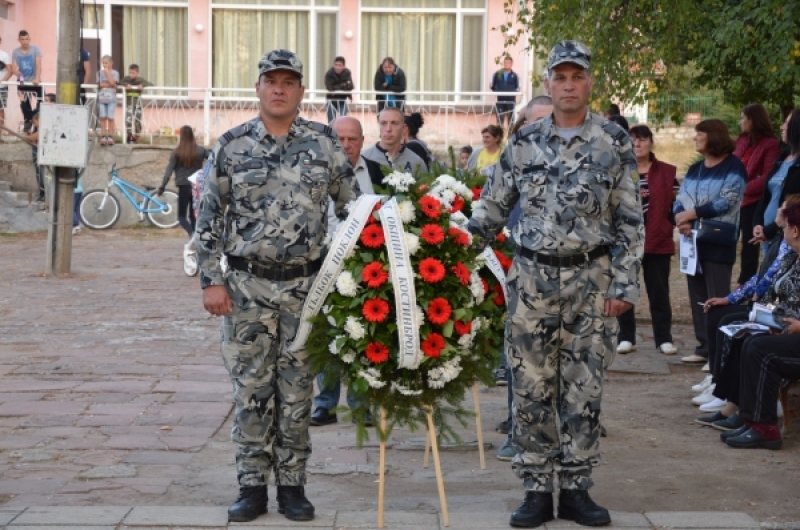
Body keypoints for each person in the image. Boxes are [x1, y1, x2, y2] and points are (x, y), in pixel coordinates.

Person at [467, 40, 643, 528]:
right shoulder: (523, 141)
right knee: (530, 386)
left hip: (592, 280)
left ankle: (578, 487)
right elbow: (491, 209)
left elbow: (631, 219)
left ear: (589, 83)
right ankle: (537, 489)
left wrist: (624, 286)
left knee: (584, 388)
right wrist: (441, 245)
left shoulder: (614, 141)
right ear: (547, 83)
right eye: (560, 76)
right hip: (531, 282)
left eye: (577, 76)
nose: (569, 84)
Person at [195, 48, 358, 524]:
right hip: (246, 290)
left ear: (302, 91)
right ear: (259, 88)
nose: (280, 88)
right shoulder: (231, 146)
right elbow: (207, 220)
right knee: (250, 392)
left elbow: (353, 211)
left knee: (298, 393)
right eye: (272, 80)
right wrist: (211, 281)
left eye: (289, 81)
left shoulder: (325, 145)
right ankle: (251, 487)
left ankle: (292, 486)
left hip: (307, 290)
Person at [494, 95, 554, 465]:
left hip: (578, 286)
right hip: (526, 279)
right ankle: (520, 433)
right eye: (536, 122)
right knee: (522, 363)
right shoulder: (515, 162)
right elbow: (496, 214)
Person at [313, 116, 381, 428]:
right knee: (326, 336)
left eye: (352, 139)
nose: (346, 145)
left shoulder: (376, 173)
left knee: (361, 336)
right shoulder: (313, 174)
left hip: (365, 267)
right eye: (339, 138)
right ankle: (324, 404)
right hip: (322, 266)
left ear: (362, 141)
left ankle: (360, 404)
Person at [675, 119, 746, 365]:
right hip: (691, 241)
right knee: (697, 297)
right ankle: (704, 347)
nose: (695, 138)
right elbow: (681, 197)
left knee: (716, 299)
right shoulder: (695, 169)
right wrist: (679, 218)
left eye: (699, 133)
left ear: (713, 136)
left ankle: (719, 354)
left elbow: (727, 200)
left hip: (718, 242)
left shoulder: (733, 167)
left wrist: (691, 215)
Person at [730, 201, 800, 450]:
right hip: (788, 328)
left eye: (786, 226)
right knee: (751, 340)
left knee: (762, 350)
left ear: (795, 230)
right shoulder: (793, 257)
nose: (783, 231)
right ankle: (751, 420)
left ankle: (766, 429)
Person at [615, 125, 680, 356]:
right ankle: (626, 337)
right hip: (626, 241)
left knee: (659, 292)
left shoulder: (666, 172)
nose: (638, 144)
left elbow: (677, 206)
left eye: (643, 139)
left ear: (651, 142)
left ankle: (664, 338)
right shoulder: (620, 170)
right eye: (633, 140)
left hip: (657, 240)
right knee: (624, 291)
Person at [733, 104, 780, 285]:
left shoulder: (770, 144)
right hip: (734, 200)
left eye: (743, 118)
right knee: (729, 240)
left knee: (749, 244)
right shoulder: (741, 140)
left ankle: (746, 282)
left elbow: (768, 176)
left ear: (753, 120)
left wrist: (741, 189)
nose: (740, 122)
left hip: (752, 200)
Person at [751, 110, 800, 256]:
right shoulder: (782, 158)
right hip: (769, 236)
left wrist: (771, 229)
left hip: (788, 237)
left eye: (787, 123)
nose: (782, 127)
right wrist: (757, 223)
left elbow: (793, 205)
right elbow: (766, 195)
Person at [158, 125, 208, 239]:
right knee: (194, 216)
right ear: (192, 135)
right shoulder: (200, 150)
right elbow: (213, 159)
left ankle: (192, 235)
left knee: (181, 217)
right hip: (197, 185)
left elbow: (168, 172)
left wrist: (162, 186)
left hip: (184, 186)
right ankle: (196, 239)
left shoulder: (176, 152)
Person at [361, 106, 426, 174]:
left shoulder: (416, 162)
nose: (388, 129)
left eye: (394, 123)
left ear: (404, 129)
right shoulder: (364, 158)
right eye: (383, 123)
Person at [12, 30, 43, 133]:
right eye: (22, 39)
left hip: (34, 80)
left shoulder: (35, 49)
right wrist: (18, 74)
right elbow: (13, 68)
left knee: (42, 100)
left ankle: (38, 121)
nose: (25, 41)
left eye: (26, 39)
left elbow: (38, 65)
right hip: (22, 82)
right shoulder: (16, 52)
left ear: (29, 39)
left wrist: (37, 78)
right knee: (24, 103)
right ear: (19, 40)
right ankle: (28, 121)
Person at [120, 64, 152, 143]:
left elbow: (150, 84)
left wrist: (142, 85)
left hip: (138, 104)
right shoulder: (126, 79)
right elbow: (119, 83)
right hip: (129, 103)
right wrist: (126, 85)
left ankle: (137, 136)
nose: (131, 75)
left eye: (133, 73)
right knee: (128, 120)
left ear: (137, 73)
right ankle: (129, 135)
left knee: (137, 121)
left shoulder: (140, 80)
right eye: (129, 72)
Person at [490, 56, 520, 130]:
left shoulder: (515, 75)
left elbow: (518, 87)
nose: (506, 64)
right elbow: (492, 86)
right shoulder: (497, 74)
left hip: (511, 101)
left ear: (511, 64)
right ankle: (500, 138)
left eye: (508, 63)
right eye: (505, 63)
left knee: (511, 120)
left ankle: (510, 138)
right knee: (500, 120)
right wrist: (498, 91)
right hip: (500, 100)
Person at [96, 55, 119, 146]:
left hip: (111, 98)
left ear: (111, 63)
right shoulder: (99, 73)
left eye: (106, 63)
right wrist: (109, 84)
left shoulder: (115, 73)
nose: (104, 65)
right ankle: (103, 135)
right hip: (102, 98)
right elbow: (100, 84)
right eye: (103, 63)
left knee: (110, 117)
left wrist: (108, 74)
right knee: (103, 116)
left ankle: (110, 135)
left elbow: (114, 83)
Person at [324, 56, 353, 124]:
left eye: (340, 65)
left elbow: (350, 86)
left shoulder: (347, 72)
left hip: (342, 100)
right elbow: (330, 88)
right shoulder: (329, 73)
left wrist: (336, 89)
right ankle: (332, 134)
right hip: (331, 100)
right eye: (336, 65)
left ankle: (341, 134)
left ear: (343, 66)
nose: (337, 67)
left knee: (342, 121)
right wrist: (343, 85)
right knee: (331, 122)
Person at [24, 109, 43, 202]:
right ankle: (41, 193)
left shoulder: (43, 128)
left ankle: (43, 194)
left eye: (35, 122)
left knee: (41, 174)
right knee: (38, 174)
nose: (34, 125)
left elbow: (34, 137)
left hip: (40, 154)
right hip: (37, 152)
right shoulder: (38, 128)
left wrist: (26, 136)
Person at [0, 35, 13, 136]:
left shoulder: (4, 55)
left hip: (2, 87)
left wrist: (2, 81)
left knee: (0, 108)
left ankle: (0, 131)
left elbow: (10, 71)